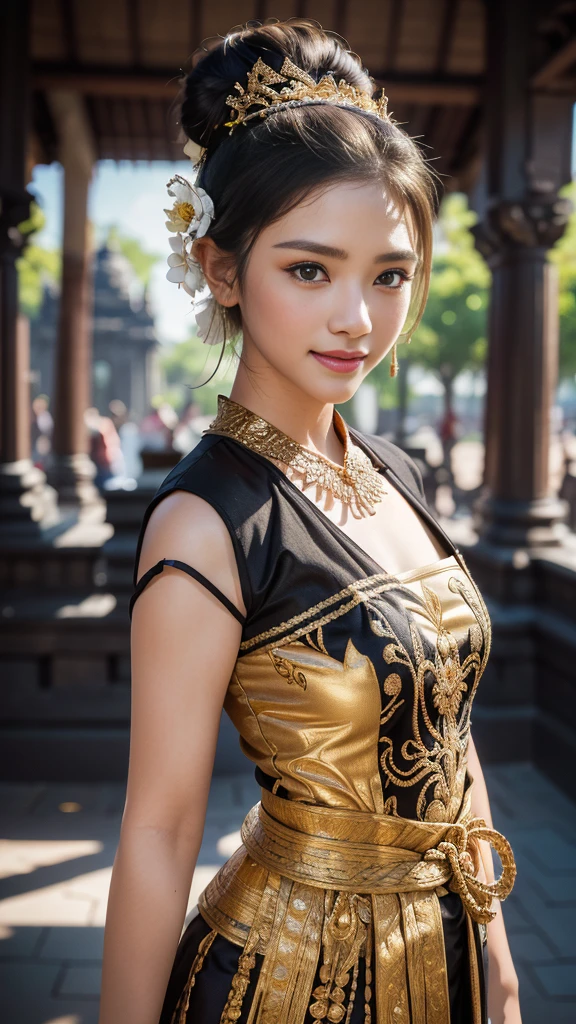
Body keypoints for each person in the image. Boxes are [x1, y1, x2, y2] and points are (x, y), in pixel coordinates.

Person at [98, 20, 520, 1024]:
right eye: (308, 269)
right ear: (222, 269)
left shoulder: (398, 471)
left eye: (389, 273)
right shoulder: (208, 524)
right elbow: (157, 831)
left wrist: (500, 964)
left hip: (453, 951)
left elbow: (451, 739)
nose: (358, 321)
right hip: (292, 982)